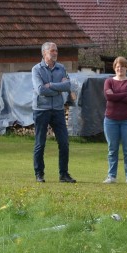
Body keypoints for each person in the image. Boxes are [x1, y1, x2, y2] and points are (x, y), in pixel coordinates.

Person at [31, 42, 76, 183]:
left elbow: (68, 86)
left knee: (64, 143)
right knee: (40, 143)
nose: (55, 53)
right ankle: (39, 174)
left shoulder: (61, 68)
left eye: (56, 50)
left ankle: (64, 174)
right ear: (44, 53)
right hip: (41, 110)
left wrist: (50, 85)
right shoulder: (36, 69)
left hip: (57, 109)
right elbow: (40, 90)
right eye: (52, 51)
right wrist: (59, 88)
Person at [102, 56, 127, 184]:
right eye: (117, 66)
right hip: (110, 120)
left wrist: (115, 96)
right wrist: (124, 94)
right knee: (112, 149)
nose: (120, 68)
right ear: (114, 68)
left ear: (126, 68)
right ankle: (111, 176)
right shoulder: (108, 81)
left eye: (122, 66)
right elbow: (108, 96)